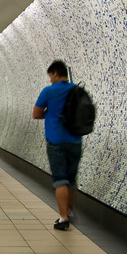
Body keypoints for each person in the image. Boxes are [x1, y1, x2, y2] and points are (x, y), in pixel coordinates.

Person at [33, 60, 82, 230]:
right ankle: (69, 210)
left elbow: (36, 114)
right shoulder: (77, 90)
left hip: (56, 141)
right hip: (75, 140)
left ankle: (63, 218)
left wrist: (49, 113)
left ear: (54, 73)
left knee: (60, 180)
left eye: (50, 76)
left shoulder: (49, 92)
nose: (50, 80)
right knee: (71, 180)